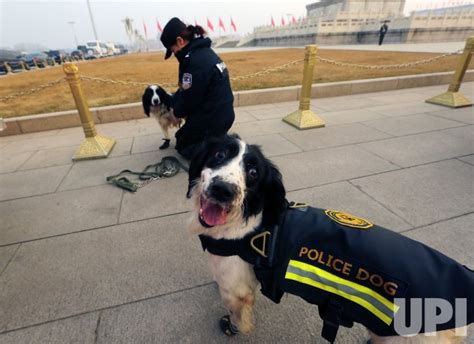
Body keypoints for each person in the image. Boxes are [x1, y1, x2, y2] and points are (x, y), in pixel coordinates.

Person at [159, 17, 235, 160]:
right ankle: (217, 139)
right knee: (182, 136)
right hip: (222, 114)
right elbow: (186, 90)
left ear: (180, 41)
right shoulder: (203, 52)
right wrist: (173, 102)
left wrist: (175, 113)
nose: (174, 54)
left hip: (214, 117)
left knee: (184, 146)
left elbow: (189, 99)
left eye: (173, 49)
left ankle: (220, 153)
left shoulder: (194, 62)